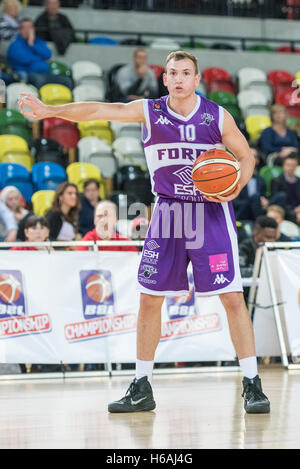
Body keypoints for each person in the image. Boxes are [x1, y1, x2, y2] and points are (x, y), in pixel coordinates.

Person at [18, 50, 270, 414]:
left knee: (232, 298)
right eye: (173, 73)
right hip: (167, 212)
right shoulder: (149, 110)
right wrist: (49, 110)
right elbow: (99, 109)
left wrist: (237, 185)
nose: (180, 78)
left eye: (186, 72)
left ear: (197, 79)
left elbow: (246, 157)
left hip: (210, 213)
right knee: (150, 300)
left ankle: (252, 383)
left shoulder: (217, 115)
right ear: (164, 79)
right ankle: (141, 386)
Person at [239, 216, 278, 305]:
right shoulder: (244, 248)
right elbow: (239, 271)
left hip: (270, 296)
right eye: (267, 237)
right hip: (247, 298)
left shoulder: (276, 248)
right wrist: (265, 271)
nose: (271, 241)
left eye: (274, 237)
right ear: (256, 232)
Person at [233, 146, 269, 221]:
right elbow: (234, 202)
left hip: (257, 208)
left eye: (254, 157)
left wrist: (264, 201)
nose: (251, 159)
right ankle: (259, 222)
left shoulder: (260, 179)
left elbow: (263, 195)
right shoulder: (235, 177)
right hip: (241, 209)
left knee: (281, 196)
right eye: (249, 156)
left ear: (258, 160)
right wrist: (250, 202)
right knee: (255, 198)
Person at [270, 153, 300, 223]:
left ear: (296, 166)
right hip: (284, 209)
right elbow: (276, 200)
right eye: (288, 165)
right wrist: (294, 211)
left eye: (293, 165)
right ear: (283, 166)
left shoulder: (299, 181)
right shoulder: (276, 181)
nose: (291, 168)